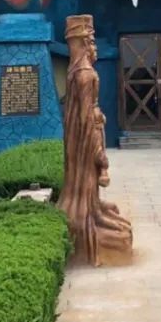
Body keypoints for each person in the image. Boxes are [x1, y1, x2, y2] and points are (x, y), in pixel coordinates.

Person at [58, 15, 133, 265]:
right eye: (91, 41)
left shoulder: (74, 72)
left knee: (88, 187)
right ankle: (89, 221)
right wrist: (98, 152)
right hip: (86, 137)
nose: (95, 47)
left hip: (79, 138)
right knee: (90, 179)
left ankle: (93, 206)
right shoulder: (86, 75)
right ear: (82, 43)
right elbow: (85, 116)